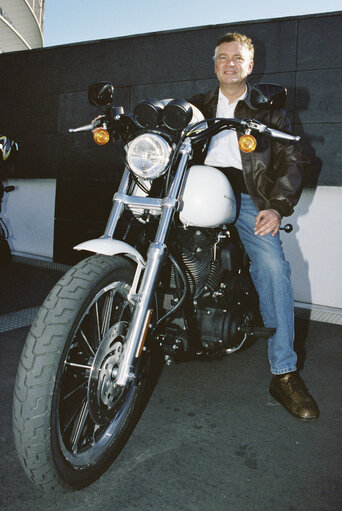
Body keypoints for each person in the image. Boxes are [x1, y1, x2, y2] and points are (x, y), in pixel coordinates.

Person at [189, 32, 319, 420]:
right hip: (195, 189)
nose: (230, 63)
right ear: (214, 65)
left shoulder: (269, 110)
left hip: (246, 196)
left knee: (273, 268)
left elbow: (295, 159)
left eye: (238, 58)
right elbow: (160, 127)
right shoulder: (196, 106)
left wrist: (276, 207)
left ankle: (283, 373)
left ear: (250, 66)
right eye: (222, 57)